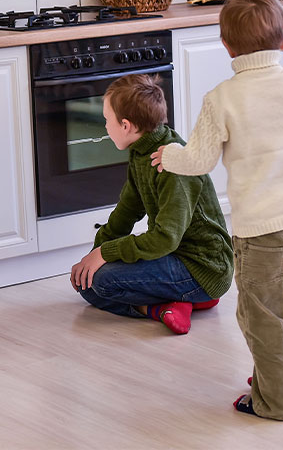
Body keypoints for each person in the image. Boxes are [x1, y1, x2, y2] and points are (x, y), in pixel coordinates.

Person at [151, 0, 283, 421]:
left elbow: (199, 160)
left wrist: (168, 157)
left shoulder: (222, 98)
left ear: (226, 46)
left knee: (262, 317)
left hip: (261, 232)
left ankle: (273, 401)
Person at [70, 73, 233, 336]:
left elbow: (165, 238)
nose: (105, 127)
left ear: (125, 125)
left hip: (202, 268)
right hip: (173, 256)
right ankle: (174, 304)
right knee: (88, 284)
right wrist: (93, 254)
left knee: (102, 280)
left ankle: (169, 304)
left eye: (106, 121)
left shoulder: (173, 161)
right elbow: (126, 212)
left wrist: (105, 255)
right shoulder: (141, 153)